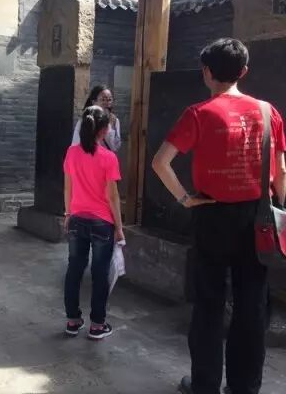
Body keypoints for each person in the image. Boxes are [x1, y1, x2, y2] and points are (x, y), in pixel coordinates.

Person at [152, 38, 286, 394]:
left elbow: (160, 162)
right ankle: (244, 387)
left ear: (206, 72)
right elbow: (281, 173)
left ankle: (205, 384)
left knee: (208, 304)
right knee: (251, 304)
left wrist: (184, 198)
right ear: (244, 71)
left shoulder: (198, 113)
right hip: (256, 218)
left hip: (211, 215)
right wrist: (278, 211)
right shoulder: (267, 112)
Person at [63, 105, 123, 341]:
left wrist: (68, 214)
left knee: (74, 269)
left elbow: (68, 188)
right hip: (102, 223)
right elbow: (112, 197)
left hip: (77, 219)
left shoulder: (72, 153)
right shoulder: (109, 158)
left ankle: (72, 320)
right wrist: (119, 227)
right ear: (104, 130)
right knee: (100, 274)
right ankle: (97, 324)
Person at [72, 85, 121, 152]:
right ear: (93, 102)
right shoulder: (85, 120)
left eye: (109, 99)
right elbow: (76, 143)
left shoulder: (115, 121)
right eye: (103, 99)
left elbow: (114, 148)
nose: (107, 103)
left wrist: (110, 126)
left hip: (105, 157)